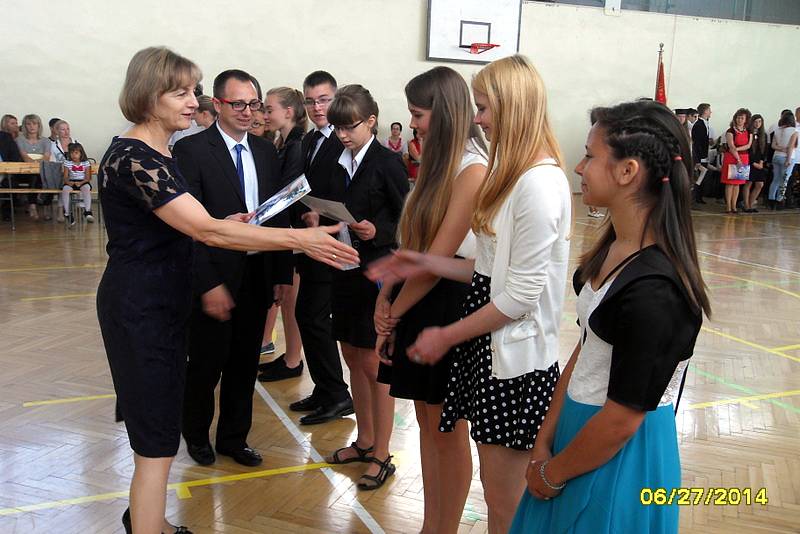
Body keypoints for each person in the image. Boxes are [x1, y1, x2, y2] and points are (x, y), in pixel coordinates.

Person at [97, 46, 357, 534]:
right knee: (156, 437)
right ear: (148, 96)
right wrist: (299, 239)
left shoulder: (157, 152)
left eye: (193, 91)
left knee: (158, 433)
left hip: (161, 301)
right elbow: (206, 232)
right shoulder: (135, 157)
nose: (192, 102)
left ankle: (152, 521)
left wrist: (228, 223)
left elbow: (192, 223)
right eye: (181, 93)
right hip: (143, 306)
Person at [367, 55, 571, 533]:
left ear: (513, 106)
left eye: (484, 107)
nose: (477, 119)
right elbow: (485, 267)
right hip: (492, 348)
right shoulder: (515, 176)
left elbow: (519, 296)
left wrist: (445, 334)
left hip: (516, 360)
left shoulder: (538, 183)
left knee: (505, 500)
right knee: (496, 489)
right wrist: (420, 262)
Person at [509, 99, 710, 534]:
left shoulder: (657, 291)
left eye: (589, 156)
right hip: (579, 430)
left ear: (627, 171)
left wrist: (554, 472)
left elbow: (622, 419)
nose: (579, 167)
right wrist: (545, 438)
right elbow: (587, 350)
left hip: (619, 452)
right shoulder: (614, 249)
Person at [373, 66, 487, 533]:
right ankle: (430, 523)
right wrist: (385, 296)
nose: (413, 124)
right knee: (426, 421)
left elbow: (437, 259)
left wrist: (392, 315)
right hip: (415, 296)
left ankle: (445, 527)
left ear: (446, 113)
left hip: (446, 302)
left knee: (446, 427)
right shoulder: (437, 164)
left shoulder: (472, 168)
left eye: (418, 114)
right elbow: (411, 244)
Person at [173, 69, 295, 469]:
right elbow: (186, 229)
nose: (247, 111)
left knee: (245, 364)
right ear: (218, 104)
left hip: (257, 274)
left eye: (253, 104)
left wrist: (281, 274)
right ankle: (196, 434)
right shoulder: (192, 151)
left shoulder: (265, 151)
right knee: (206, 364)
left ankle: (233, 438)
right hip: (214, 276)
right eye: (237, 103)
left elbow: (277, 215)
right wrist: (207, 283)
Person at [323, 84, 409, 490]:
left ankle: (383, 452)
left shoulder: (387, 162)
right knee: (353, 357)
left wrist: (380, 230)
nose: (342, 135)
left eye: (350, 127)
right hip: (345, 268)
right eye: (337, 128)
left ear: (371, 121)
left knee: (375, 364)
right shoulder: (337, 159)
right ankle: (365, 439)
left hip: (377, 273)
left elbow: (407, 219)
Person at [289, 70, 355, 425]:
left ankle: (338, 394)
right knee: (308, 316)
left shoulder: (344, 141)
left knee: (314, 317)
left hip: (333, 242)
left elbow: (348, 192)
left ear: (337, 98)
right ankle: (325, 388)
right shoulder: (312, 139)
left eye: (324, 100)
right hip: (310, 241)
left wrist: (321, 214)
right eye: (310, 101)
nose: (317, 107)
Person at [258, 86, 308, 382]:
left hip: (293, 231)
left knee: (292, 300)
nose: (264, 115)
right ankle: (290, 356)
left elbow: (288, 192)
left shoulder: (297, 145)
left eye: (269, 109)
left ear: (288, 112)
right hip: (284, 230)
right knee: (288, 300)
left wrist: (257, 215)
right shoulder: (284, 142)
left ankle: (293, 359)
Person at [16, 114, 52, 220]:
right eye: (28, 124)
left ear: (39, 125)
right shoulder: (19, 140)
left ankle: (41, 205)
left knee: (50, 178)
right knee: (35, 176)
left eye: (34, 123)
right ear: (25, 126)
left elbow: (46, 157)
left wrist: (37, 164)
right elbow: (25, 157)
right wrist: (36, 164)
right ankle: (33, 206)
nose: (32, 126)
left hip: (42, 170)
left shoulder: (46, 141)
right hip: (24, 171)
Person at [720, 108, 753, 214]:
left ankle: (734, 206)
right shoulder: (730, 131)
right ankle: (728, 206)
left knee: (737, 183)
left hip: (744, 157)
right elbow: (731, 145)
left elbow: (748, 145)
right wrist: (737, 158)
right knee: (730, 183)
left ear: (746, 120)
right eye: (738, 118)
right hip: (732, 157)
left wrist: (737, 150)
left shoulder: (749, 132)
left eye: (742, 118)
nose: (739, 120)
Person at [768, 110, 798, 209]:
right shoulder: (794, 131)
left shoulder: (777, 130)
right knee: (784, 180)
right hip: (787, 158)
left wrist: (781, 148)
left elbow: (773, 146)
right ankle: (779, 200)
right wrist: (788, 159)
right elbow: (791, 147)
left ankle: (771, 200)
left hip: (776, 157)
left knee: (775, 179)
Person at [61, 142, 94, 224]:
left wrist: (81, 183)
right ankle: (67, 213)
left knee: (86, 189)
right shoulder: (67, 162)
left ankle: (87, 211)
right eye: (71, 153)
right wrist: (68, 182)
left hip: (83, 181)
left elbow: (88, 178)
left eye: (76, 153)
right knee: (65, 190)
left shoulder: (86, 163)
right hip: (71, 181)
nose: (74, 155)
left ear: (81, 153)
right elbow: (65, 177)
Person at [743, 114, 767, 212]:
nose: (757, 124)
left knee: (760, 184)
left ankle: (751, 203)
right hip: (749, 162)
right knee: (748, 183)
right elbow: (748, 150)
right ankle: (746, 205)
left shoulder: (764, 135)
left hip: (759, 162)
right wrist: (753, 163)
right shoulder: (748, 133)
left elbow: (764, 150)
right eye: (756, 121)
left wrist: (761, 161)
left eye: (760, 122)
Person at [691, 103, 713, 204]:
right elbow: (697, 144)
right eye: (709, 110)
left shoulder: (705, 123)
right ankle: (695, 197)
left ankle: (699, 197)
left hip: (704, 155)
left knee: (702, 177)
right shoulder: (699, 125)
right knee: (698, 177)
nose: (710, 112)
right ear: (704, 111)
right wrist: (698, 159)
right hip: (700, 157)